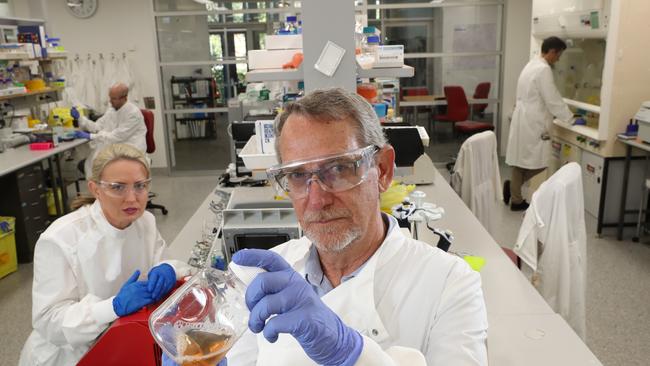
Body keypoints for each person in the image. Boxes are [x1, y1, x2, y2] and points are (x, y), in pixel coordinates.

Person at [164, 88, 488, 366]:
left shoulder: (451, 284)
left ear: (384, 170)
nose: (317, 199)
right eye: (297, 175)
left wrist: (352, 354)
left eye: (339, 168)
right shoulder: (259, 280)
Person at [19, 144, 191, 366]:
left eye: (140, 186)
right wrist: (112, 307)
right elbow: (49, 322)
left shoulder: (144, 221)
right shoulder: (61, 238)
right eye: (118, 187)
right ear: (95, 188)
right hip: (71, 355)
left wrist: (169, 269)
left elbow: (164, 261)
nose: (132, 198)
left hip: (122, 342)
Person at [504, 36, 584, 211]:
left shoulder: (531, 64)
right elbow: (552, 99)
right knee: (540, 161)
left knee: (522, 160)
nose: (559, 59)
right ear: (552, 51)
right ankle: (515, 196)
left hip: (525, 118)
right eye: (559, 55)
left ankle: (514, 190)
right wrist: (570, 118)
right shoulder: (543, 69)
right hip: (533, 121)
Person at [72, 83, 147, 178]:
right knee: (95, 165)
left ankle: (109, 190)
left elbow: (116, 137)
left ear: (124, 98)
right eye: (110, 98)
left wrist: (90, 136)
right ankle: (103, 190)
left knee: (102, 169)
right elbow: (97, 126)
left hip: (130, 151)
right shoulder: (112, 110)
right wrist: (80, 118)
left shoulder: (133, 113)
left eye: (113, 98)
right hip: (115, 149)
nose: (110, 101)